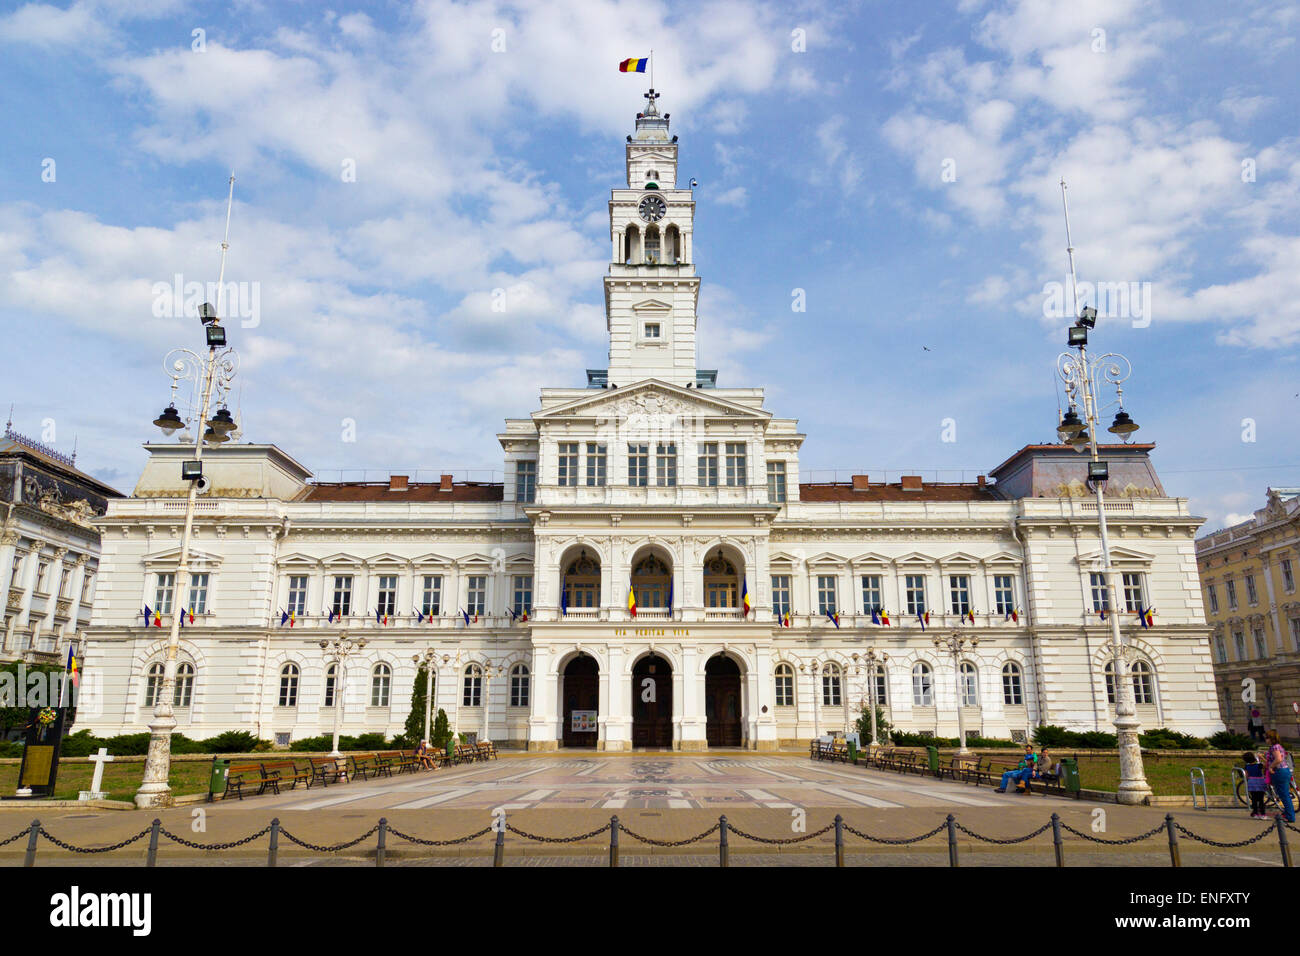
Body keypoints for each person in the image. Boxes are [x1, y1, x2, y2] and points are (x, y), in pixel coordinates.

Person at [1264, 730, 1295, 824]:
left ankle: (1290, 816)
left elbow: (1278, 759)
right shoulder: (1276, 746)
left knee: (1284, 795)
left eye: (1267, 738)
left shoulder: (1275, 747)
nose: (1266, 740)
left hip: (1279, 772)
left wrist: (1270, 766)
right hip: (1283, 771)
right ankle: (1287, 813)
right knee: (1284, 794)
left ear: (1271, 738)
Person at [1243, 750, 1268, 819]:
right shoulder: (1259, 765)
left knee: (1254, 799)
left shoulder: (1247, 766)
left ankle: (1255, 813)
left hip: (1251, 783)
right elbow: (1267, 764)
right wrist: (1262, 757)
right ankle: (1263, 814)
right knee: (1261, 800)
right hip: (1260, 782)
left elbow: (1246, 775)